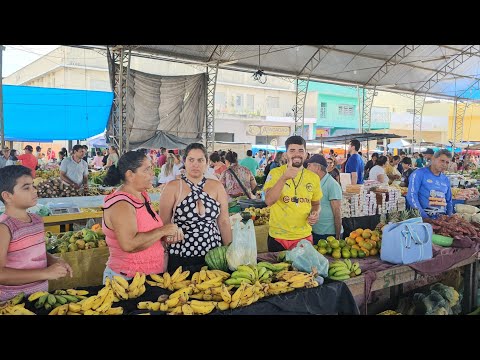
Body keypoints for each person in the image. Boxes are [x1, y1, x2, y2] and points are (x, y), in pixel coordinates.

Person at [102, 151, 183, 282]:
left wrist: (165, 236)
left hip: (149, 276)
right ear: (130, 175)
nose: (152, 174)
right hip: (126, 279)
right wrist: (162, 230)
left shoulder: (142, 195)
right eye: (147, 170)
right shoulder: (121, 204)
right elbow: (129, 244)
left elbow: (147, 233)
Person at [0, 165, 72, 301]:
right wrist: (45, 273)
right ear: (7, 196)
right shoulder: (4, 228)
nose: (34, 191)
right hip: (12, 302)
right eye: (26, 188)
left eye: (33, 185)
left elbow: (36, 253)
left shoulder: (37, 220)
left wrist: (54, 261)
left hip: (40, 296)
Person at [159, 143, 232, 273]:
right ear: (184, 161)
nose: (195, 164)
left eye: (200, 160)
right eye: (191, 160)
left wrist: (230, 252)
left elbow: (224, 222)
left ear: (207, 162)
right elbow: (163, 223)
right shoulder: (173, 187)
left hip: (213, 256)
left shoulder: (217, 186)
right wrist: (168, 237)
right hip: (181, 256)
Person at [264, 135, 322, 251]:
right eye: (292, 150)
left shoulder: (313, 178)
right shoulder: (275, 173)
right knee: (279, 269)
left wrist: (315, 213)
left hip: (303, 237)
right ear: (286, 154)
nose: (297, 154)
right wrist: (284, 178)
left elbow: (316, 204)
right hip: (278, 237)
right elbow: (269, 201)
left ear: (306, 154)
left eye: (301, 150)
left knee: (303, 270)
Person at [407, 149, 453, 219]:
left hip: (441, 220)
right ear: (433, 159)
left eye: (447, 162)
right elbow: (411, 196)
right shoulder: (419, 174)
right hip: (422, 219)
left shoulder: (445, 179)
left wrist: (449, 217)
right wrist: (424, 217)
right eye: (442, 161)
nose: (444, 164)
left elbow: (449, 201)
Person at [306, 155, 342, 242]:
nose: (307, 168)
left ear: (317, 167)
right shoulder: (314, 182)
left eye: (309, 165)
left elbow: (337, 212)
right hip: (314, 230)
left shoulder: (332, 184)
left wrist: (338, 236)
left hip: (328, 234)